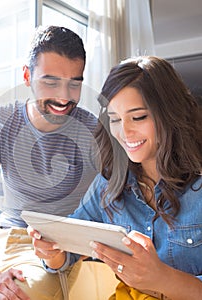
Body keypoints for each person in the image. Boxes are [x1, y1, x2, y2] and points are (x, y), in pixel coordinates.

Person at [29, 56, 202, 300]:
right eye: (115, 119)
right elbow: (71, 241)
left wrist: (163, 278)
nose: (125, 132)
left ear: (169, 114)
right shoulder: (110, 184)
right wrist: (53, 254)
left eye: (139, 117)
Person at [0, 25, 100, 300]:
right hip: (5, 237)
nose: (64, 96)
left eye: (74, 83)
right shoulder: (0, 120)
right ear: (26, 76)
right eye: (51, 81)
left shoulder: (92, 131)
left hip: (55, 249)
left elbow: (115, 201)